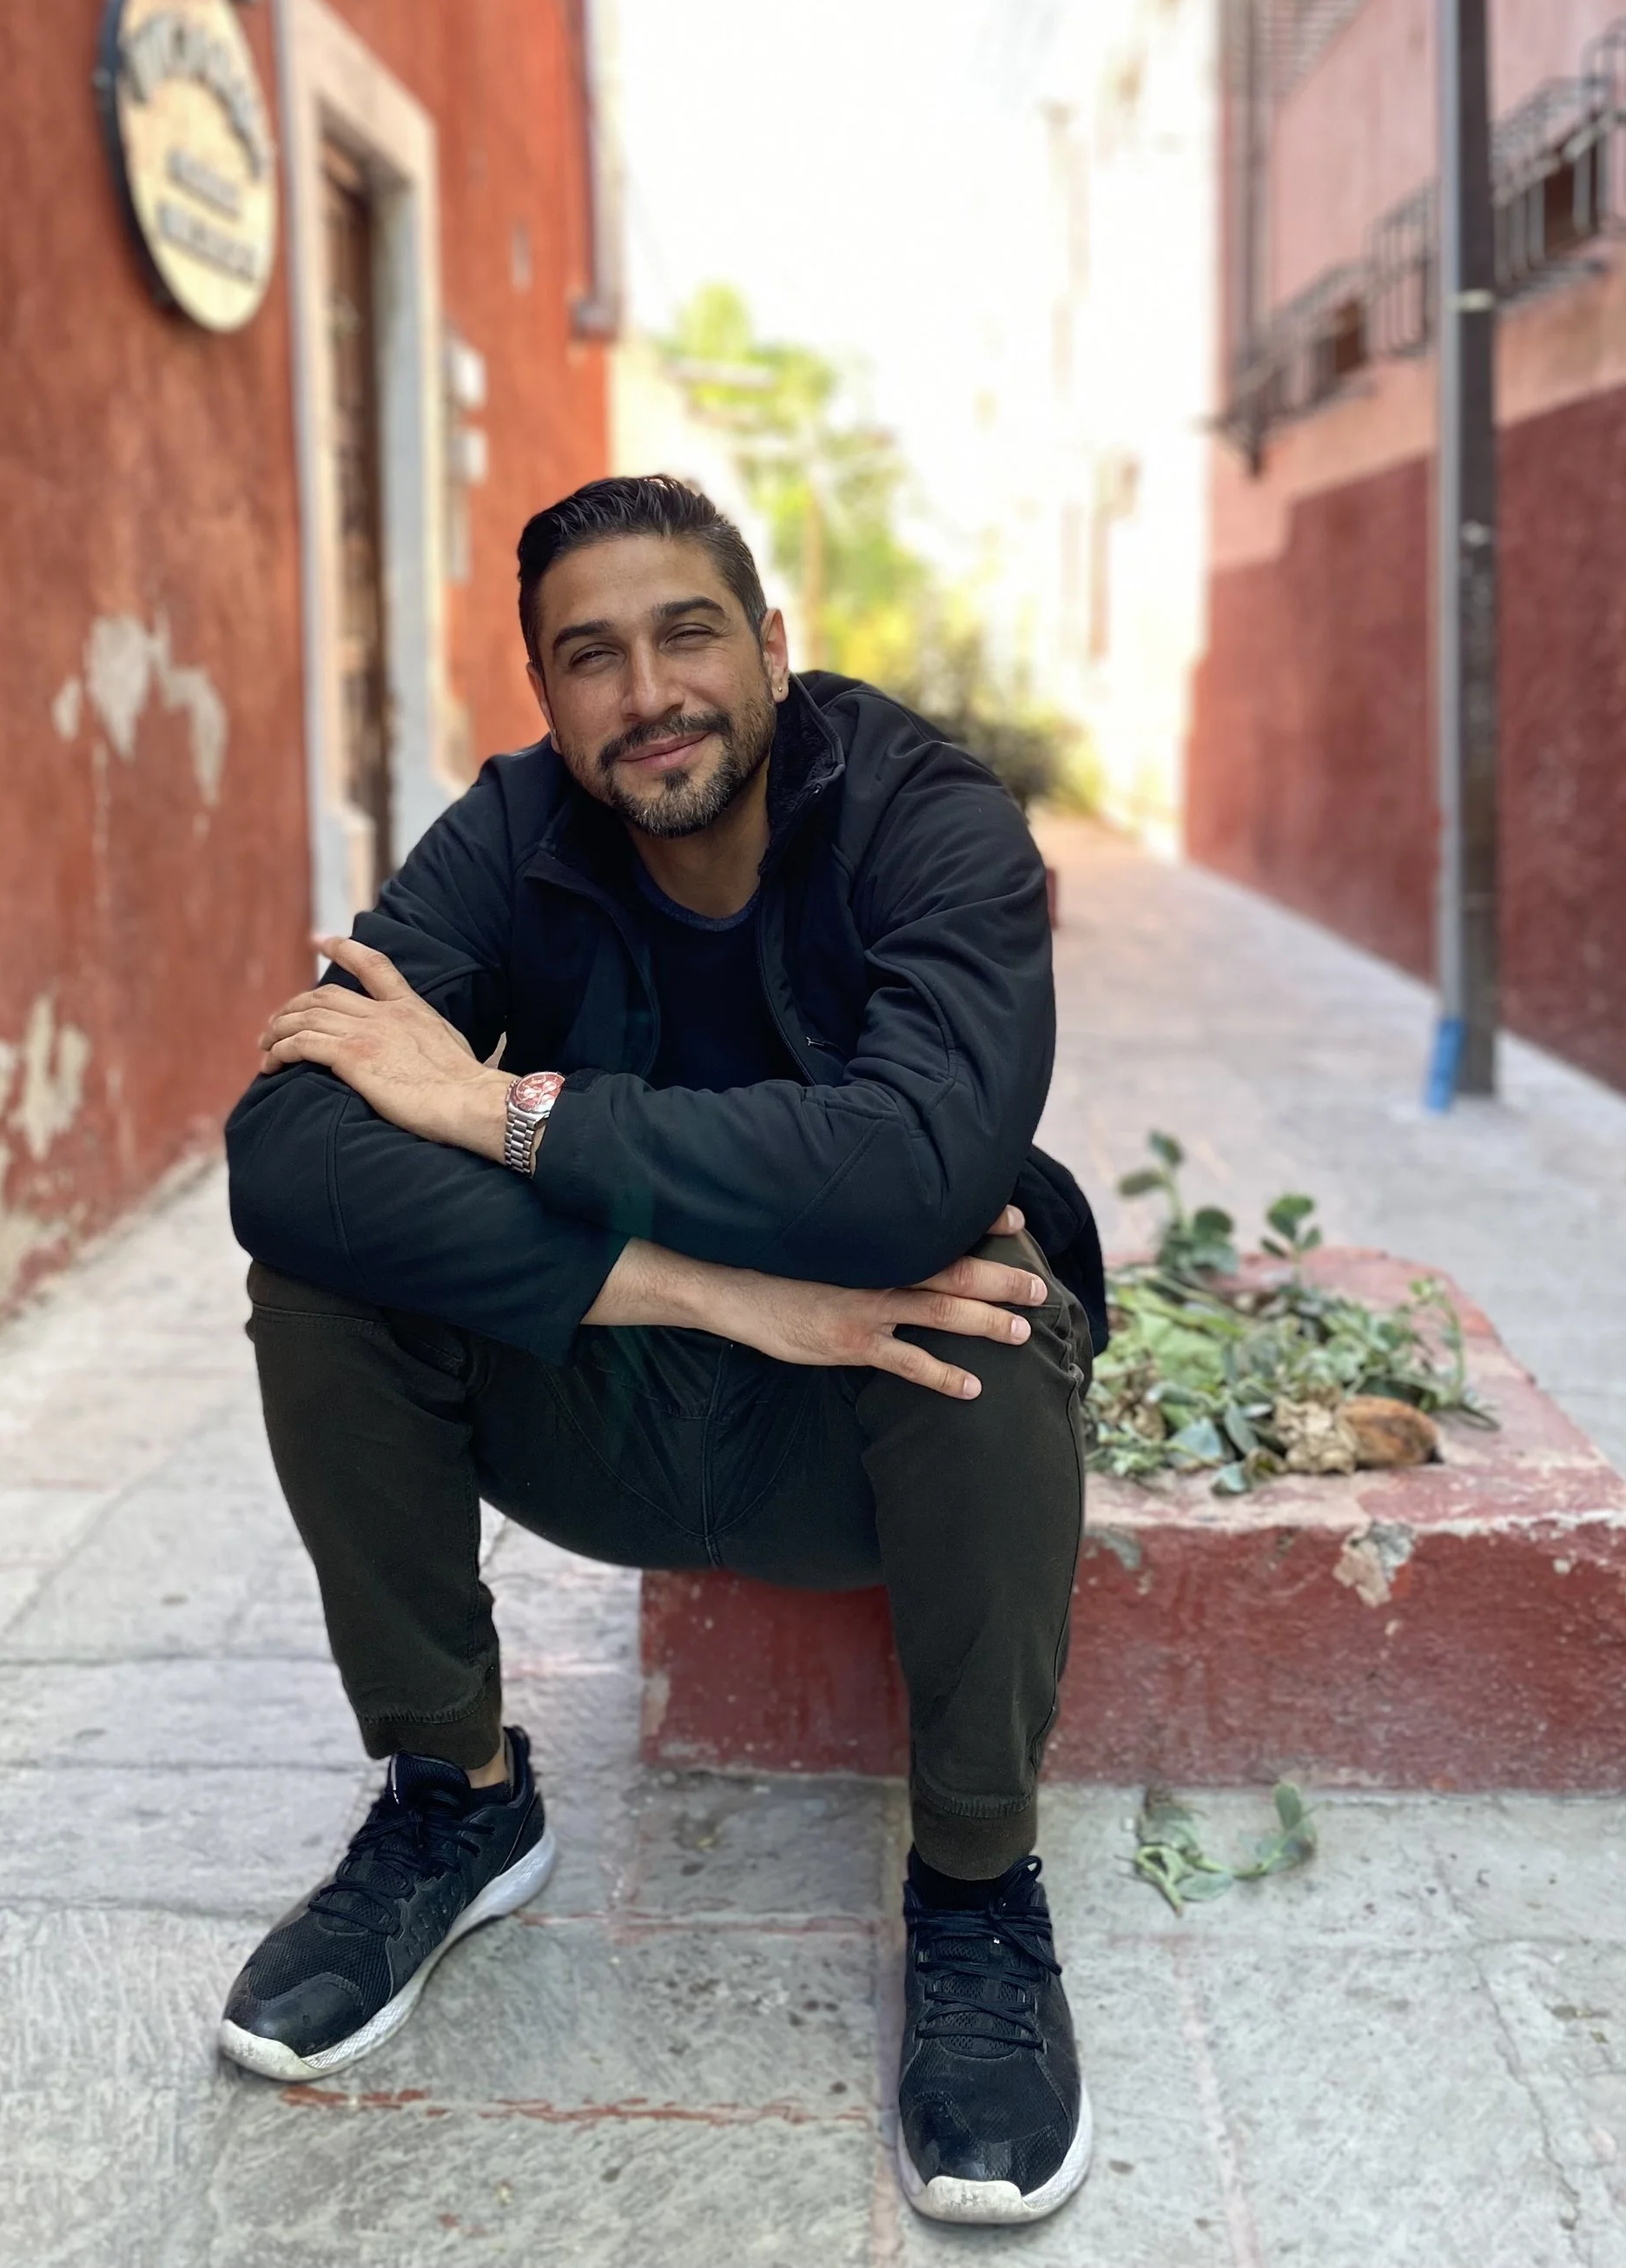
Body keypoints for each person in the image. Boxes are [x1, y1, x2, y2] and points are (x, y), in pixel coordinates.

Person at [220, 473, 1106, 2226]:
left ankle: (976, 1893)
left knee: (977, 1294)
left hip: (858, 1446)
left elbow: (915, 1161)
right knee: (322, 1272)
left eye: (687, 632)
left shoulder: (926, 818)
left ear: (769, 645)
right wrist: (710, 1287)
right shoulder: (511, 828)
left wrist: (504, 1110)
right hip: (607, 1407)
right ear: (547, 696)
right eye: (590, 656)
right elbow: (286, 1151)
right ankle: (454, 1796)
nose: (648, 692)